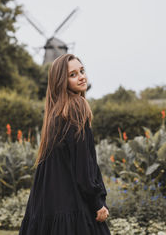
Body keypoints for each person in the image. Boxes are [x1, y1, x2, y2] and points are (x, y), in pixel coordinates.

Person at [19, 54, 111, 235]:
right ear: (62, 81)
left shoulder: (55, 114)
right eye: (73, 74)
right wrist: (97, 201)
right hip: (73, 207)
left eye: (82, 71)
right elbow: (84, 164)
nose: (82, 76)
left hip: (48, 207)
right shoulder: (77, 108)